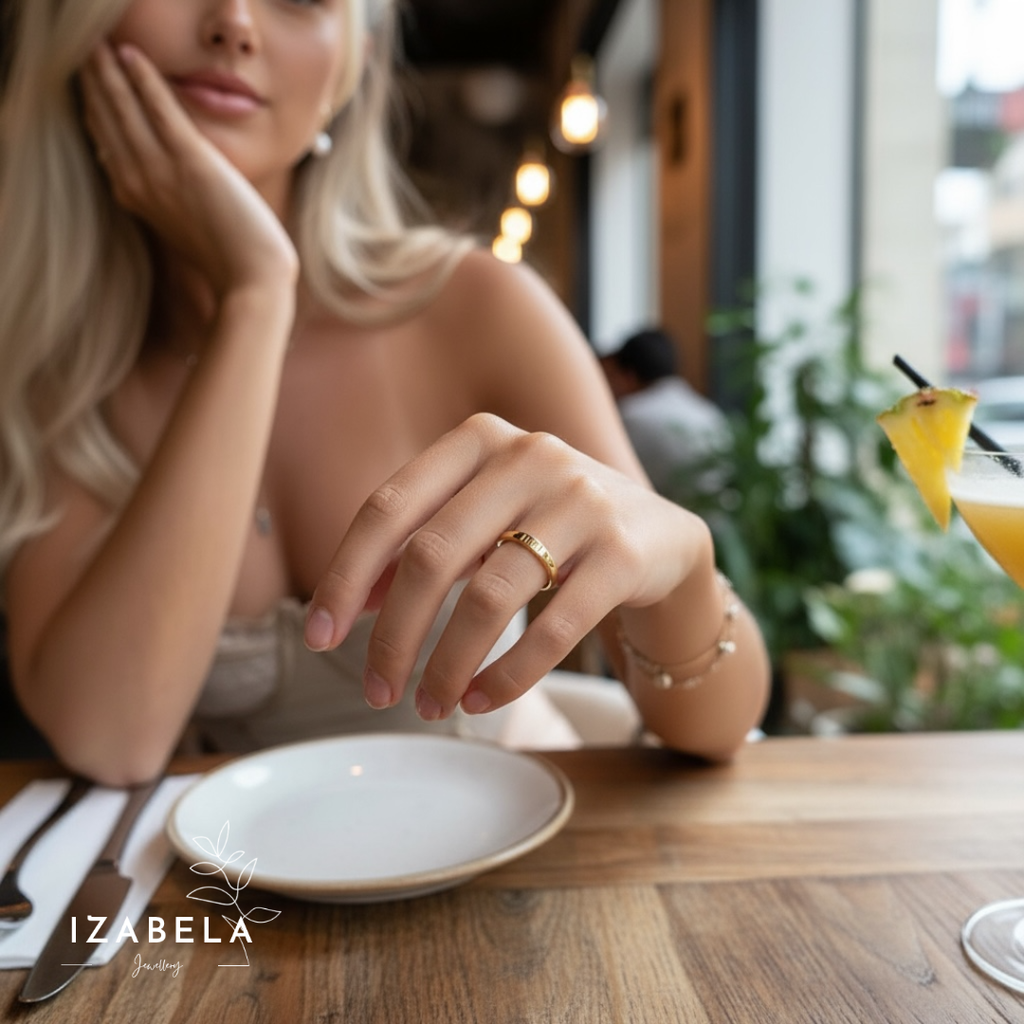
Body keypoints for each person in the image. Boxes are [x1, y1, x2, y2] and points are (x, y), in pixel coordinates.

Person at [0, 0, 770, 786]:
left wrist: (682, 563)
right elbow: (110, 739)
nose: (233, 23)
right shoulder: (50, 368)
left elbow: (717, 730)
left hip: (515, 862)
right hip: (245, 897)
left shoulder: (477, 306)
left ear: (352, 61)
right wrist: (256, 294)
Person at [601, 327, 729, 498]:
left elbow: (607, 484)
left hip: (673, 518)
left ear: (628, 376)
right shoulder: (708, 412)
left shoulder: (633, 416)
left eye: (609, 377)